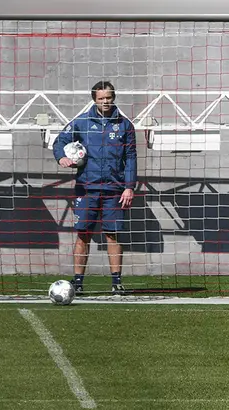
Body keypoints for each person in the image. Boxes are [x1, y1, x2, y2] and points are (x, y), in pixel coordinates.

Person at [53, 80, 137, 295]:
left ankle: (116, 282)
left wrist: (129, 187)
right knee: (83, 234)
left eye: (108, 98)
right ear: (94, 99)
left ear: (113, 98)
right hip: (86, 188)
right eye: (101, 98)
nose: (105, 101)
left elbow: (130, 157)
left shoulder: (125, 125)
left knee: (112, 235)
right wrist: (61, 157)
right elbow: (59, 141)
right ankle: (78, 282)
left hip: (114, 190)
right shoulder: (81, 122)